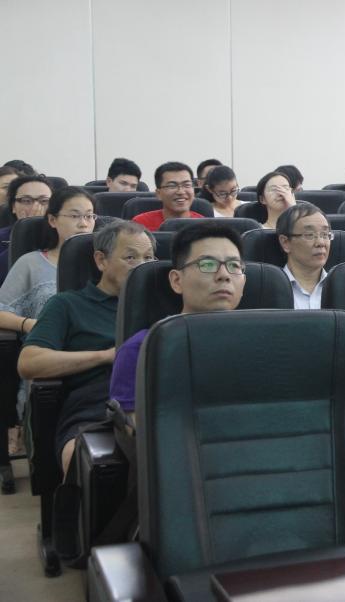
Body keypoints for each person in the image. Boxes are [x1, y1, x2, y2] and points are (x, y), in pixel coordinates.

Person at [19, 220, 156, 473]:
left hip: (156, 398)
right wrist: (106, 356)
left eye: (149, 258)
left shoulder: (163, 305)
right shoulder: (67, 305)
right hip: (96, 405)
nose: (142, 266)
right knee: (78, 457)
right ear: (101, 260)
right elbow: (29, 362)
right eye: (131, 257)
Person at [0, 187, 97, 493]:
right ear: (53, 220)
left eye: (90, 216)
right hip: (50, 361)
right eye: (75, 215)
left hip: (99, 358)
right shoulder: (31, 262)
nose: (84, 223)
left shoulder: (104, 262)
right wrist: (30, 324)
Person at [109, 223, 245, 415]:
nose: (224, 275)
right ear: (176, 281)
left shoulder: (262, 343)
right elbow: (131, 426)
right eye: (207, 264)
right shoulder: (144, 348)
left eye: (234, 266)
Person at [277, 203, 331, 309]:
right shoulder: (270, 290)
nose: (321, 243)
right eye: (309, 235)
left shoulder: (342, 286)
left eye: (325, 235)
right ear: (285, 242)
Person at [0, 175, 53, 283]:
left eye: (44, 201)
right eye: (27, 201)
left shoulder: (62, 235)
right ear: (13, 207)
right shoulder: (1, 237)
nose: (35, 207)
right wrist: (27, 230)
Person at [132, 162, 204, 232]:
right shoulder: (140, 224)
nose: (181, 192)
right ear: (159, 194)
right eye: (172, 186)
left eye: (187, 185)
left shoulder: (203, 224)